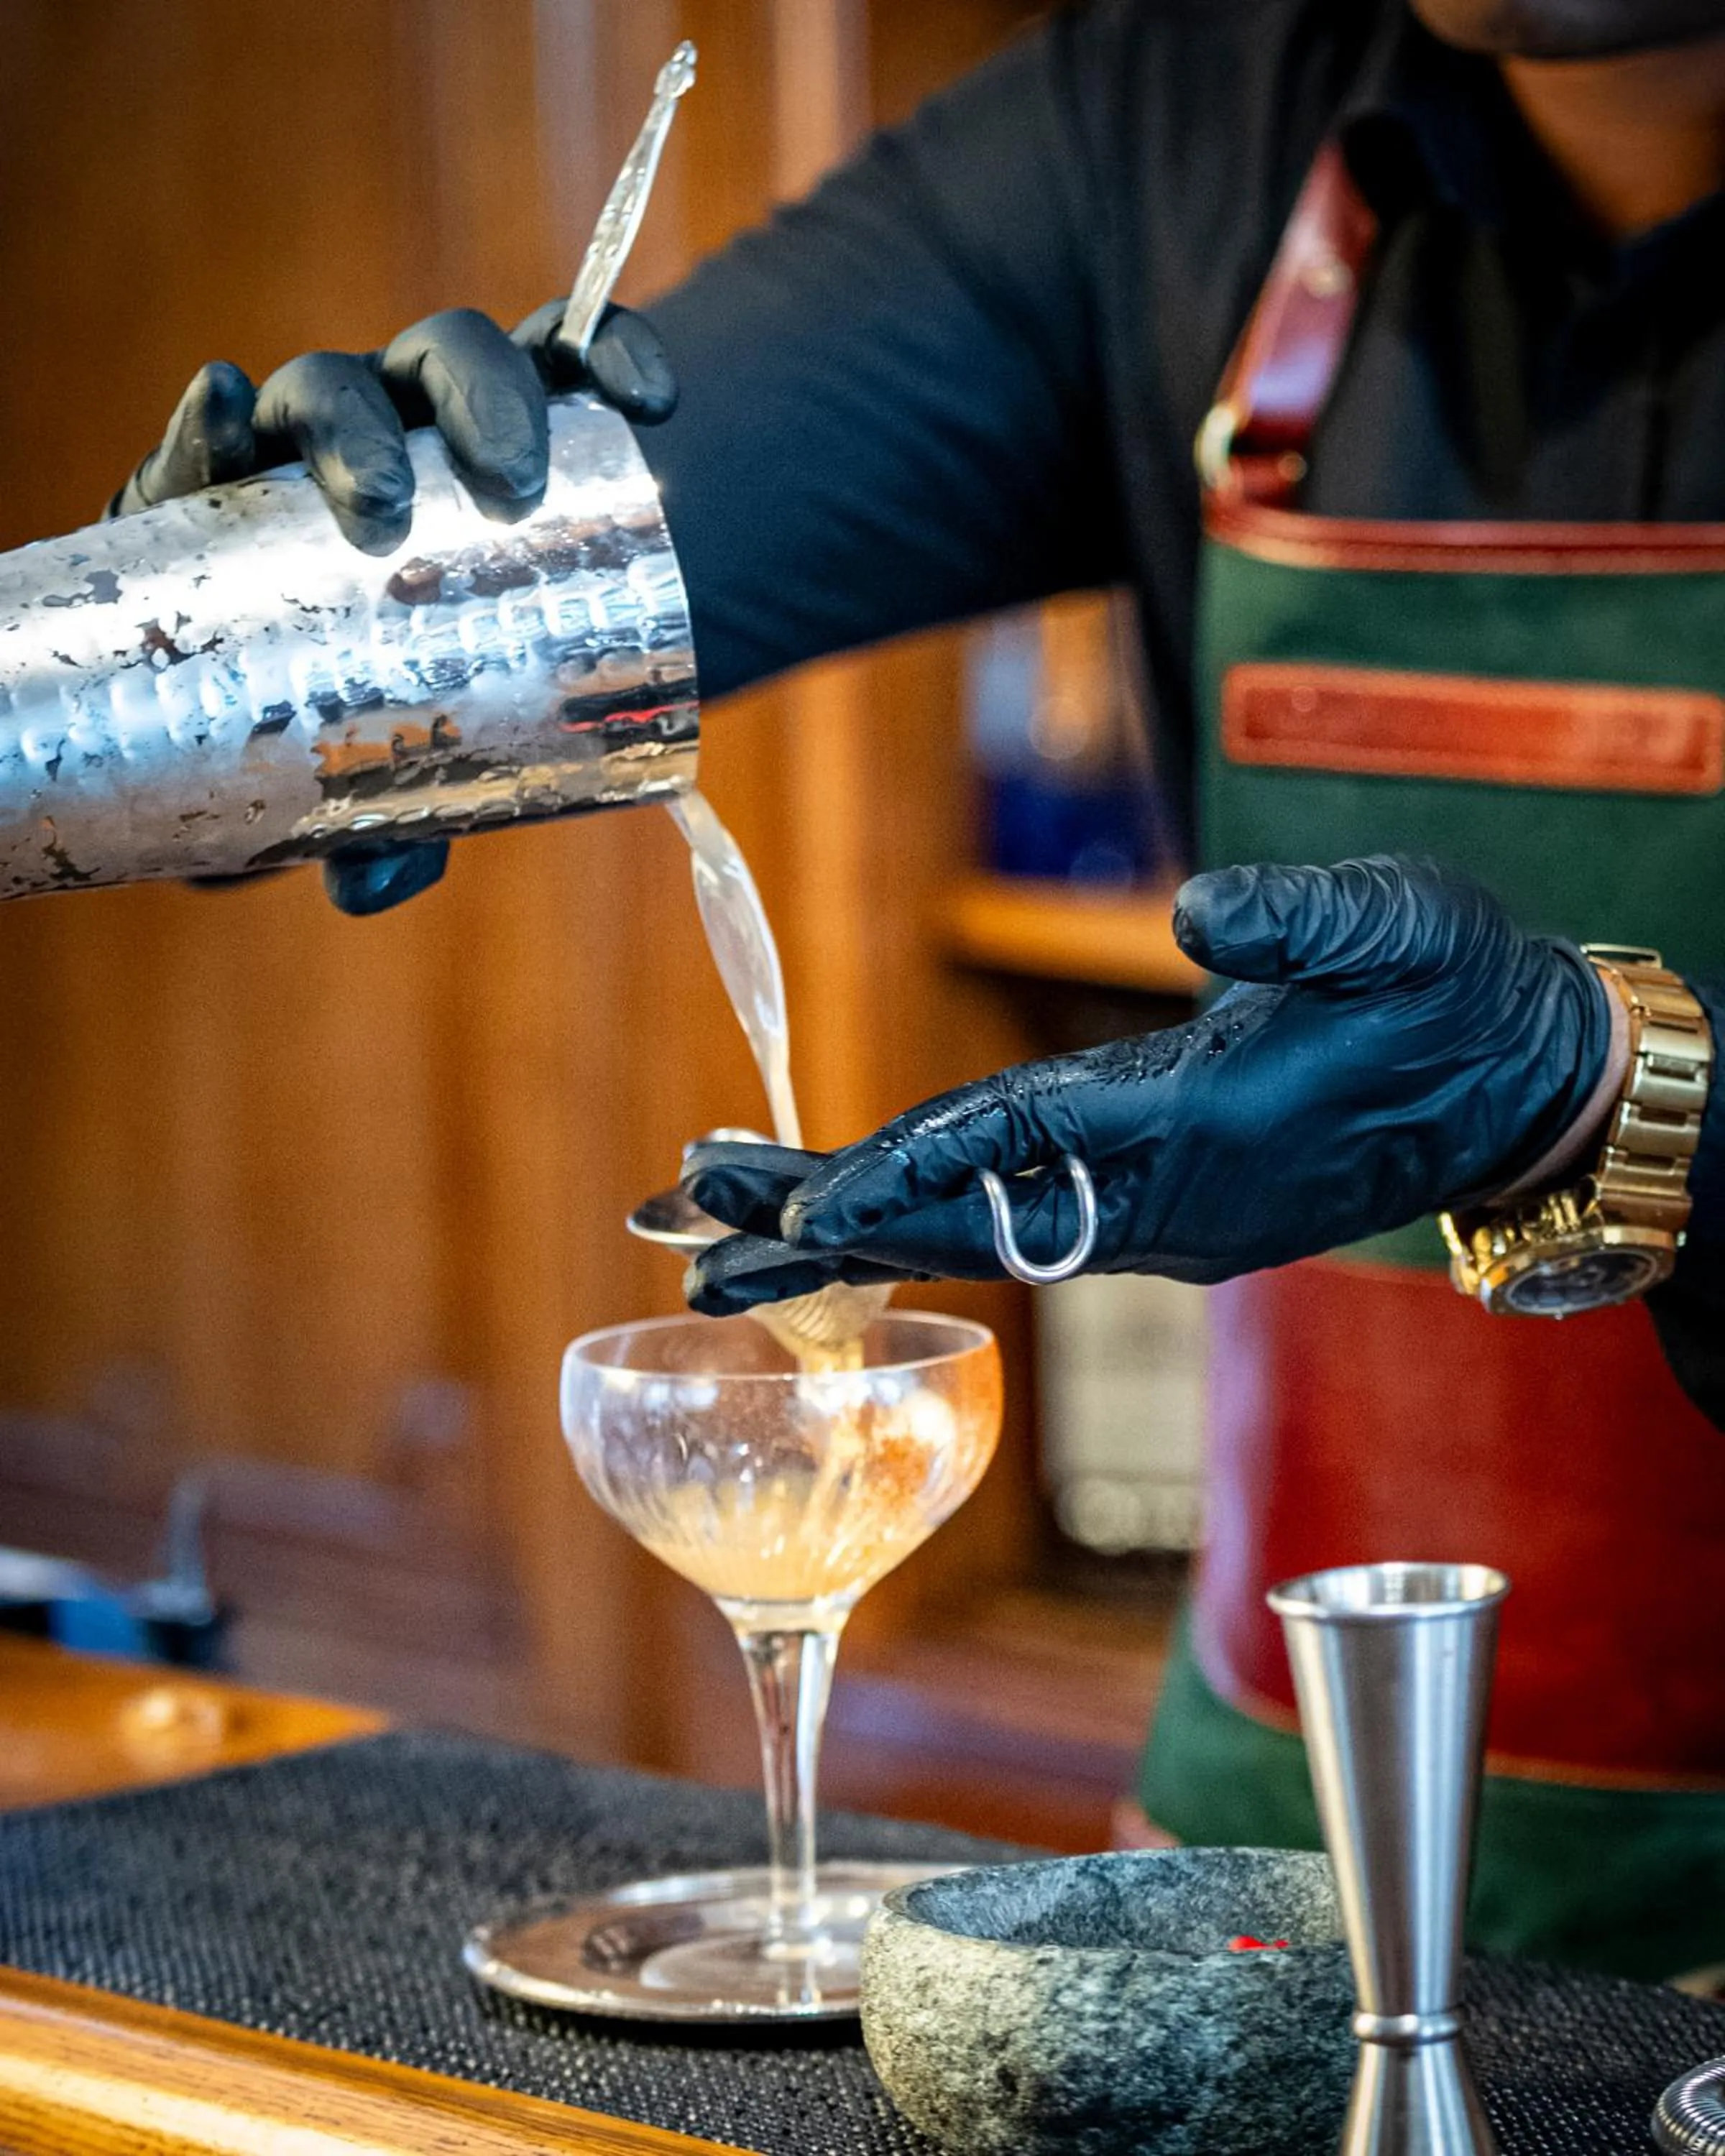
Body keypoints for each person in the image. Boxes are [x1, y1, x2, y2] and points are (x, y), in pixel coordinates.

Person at [122, 0, 1725, 1978]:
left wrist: (1604, 1095)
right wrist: (211, 637)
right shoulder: (1173, 133)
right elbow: (534, 585)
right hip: (1281, 1910)